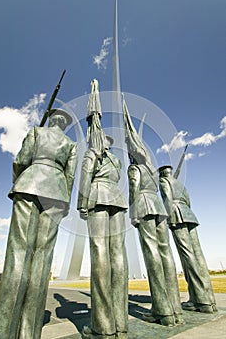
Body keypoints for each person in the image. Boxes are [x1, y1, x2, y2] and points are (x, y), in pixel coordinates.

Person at [0, 109, 78, 339]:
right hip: (57, 194)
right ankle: (29, 333)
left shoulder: (36, 132)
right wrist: (65, 199)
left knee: (19, 254)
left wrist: (20, 180)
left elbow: (21, 160)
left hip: (29, 185)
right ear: (65, 124)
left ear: (52, 119)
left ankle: (4, 331)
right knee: (42, 259)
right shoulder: (71, 144)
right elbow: (70, 176)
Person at [122, 99, 183, 327]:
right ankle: (175, 307)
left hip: (145, 206)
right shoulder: (152, 169)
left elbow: (133, 190)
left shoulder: (135, 168)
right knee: (166, 253)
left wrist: (132, 212)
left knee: (152, 255)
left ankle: (162, 310)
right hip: (158, 208)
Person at [77, 136, 128, 339]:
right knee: (118, 256)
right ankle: (121, 325)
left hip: (97, 196)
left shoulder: (92, 154)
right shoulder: (116, 161)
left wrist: (82, 203)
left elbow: (86, 176)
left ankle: (103, 327)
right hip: (117, 199)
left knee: (99, 252)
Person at [159, 165, 217, 313]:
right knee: (198, 256)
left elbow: (168, 200)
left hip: (177, 216)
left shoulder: (164, 181)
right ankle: (210, 300)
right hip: (189, 214)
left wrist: (168, 218)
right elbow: (189, 202)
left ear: (162, 173)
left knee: (187, 256)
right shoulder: (180, 184)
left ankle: (200, 300)